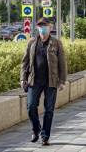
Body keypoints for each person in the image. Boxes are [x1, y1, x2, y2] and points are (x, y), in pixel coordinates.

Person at [20, 17, 67, 146]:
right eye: (40, 26)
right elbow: (25, 62)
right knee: (31, 107)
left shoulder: (56, 43)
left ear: (50, 27)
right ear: (37, 28)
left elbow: (62, 63)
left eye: (45, 26)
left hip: (51, 81)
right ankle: (36, 129)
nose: (43, 28)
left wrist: (62, 80)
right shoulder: (32, 43)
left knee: (49, 110)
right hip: (34, 81)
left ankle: (45, 136)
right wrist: (23, 78)